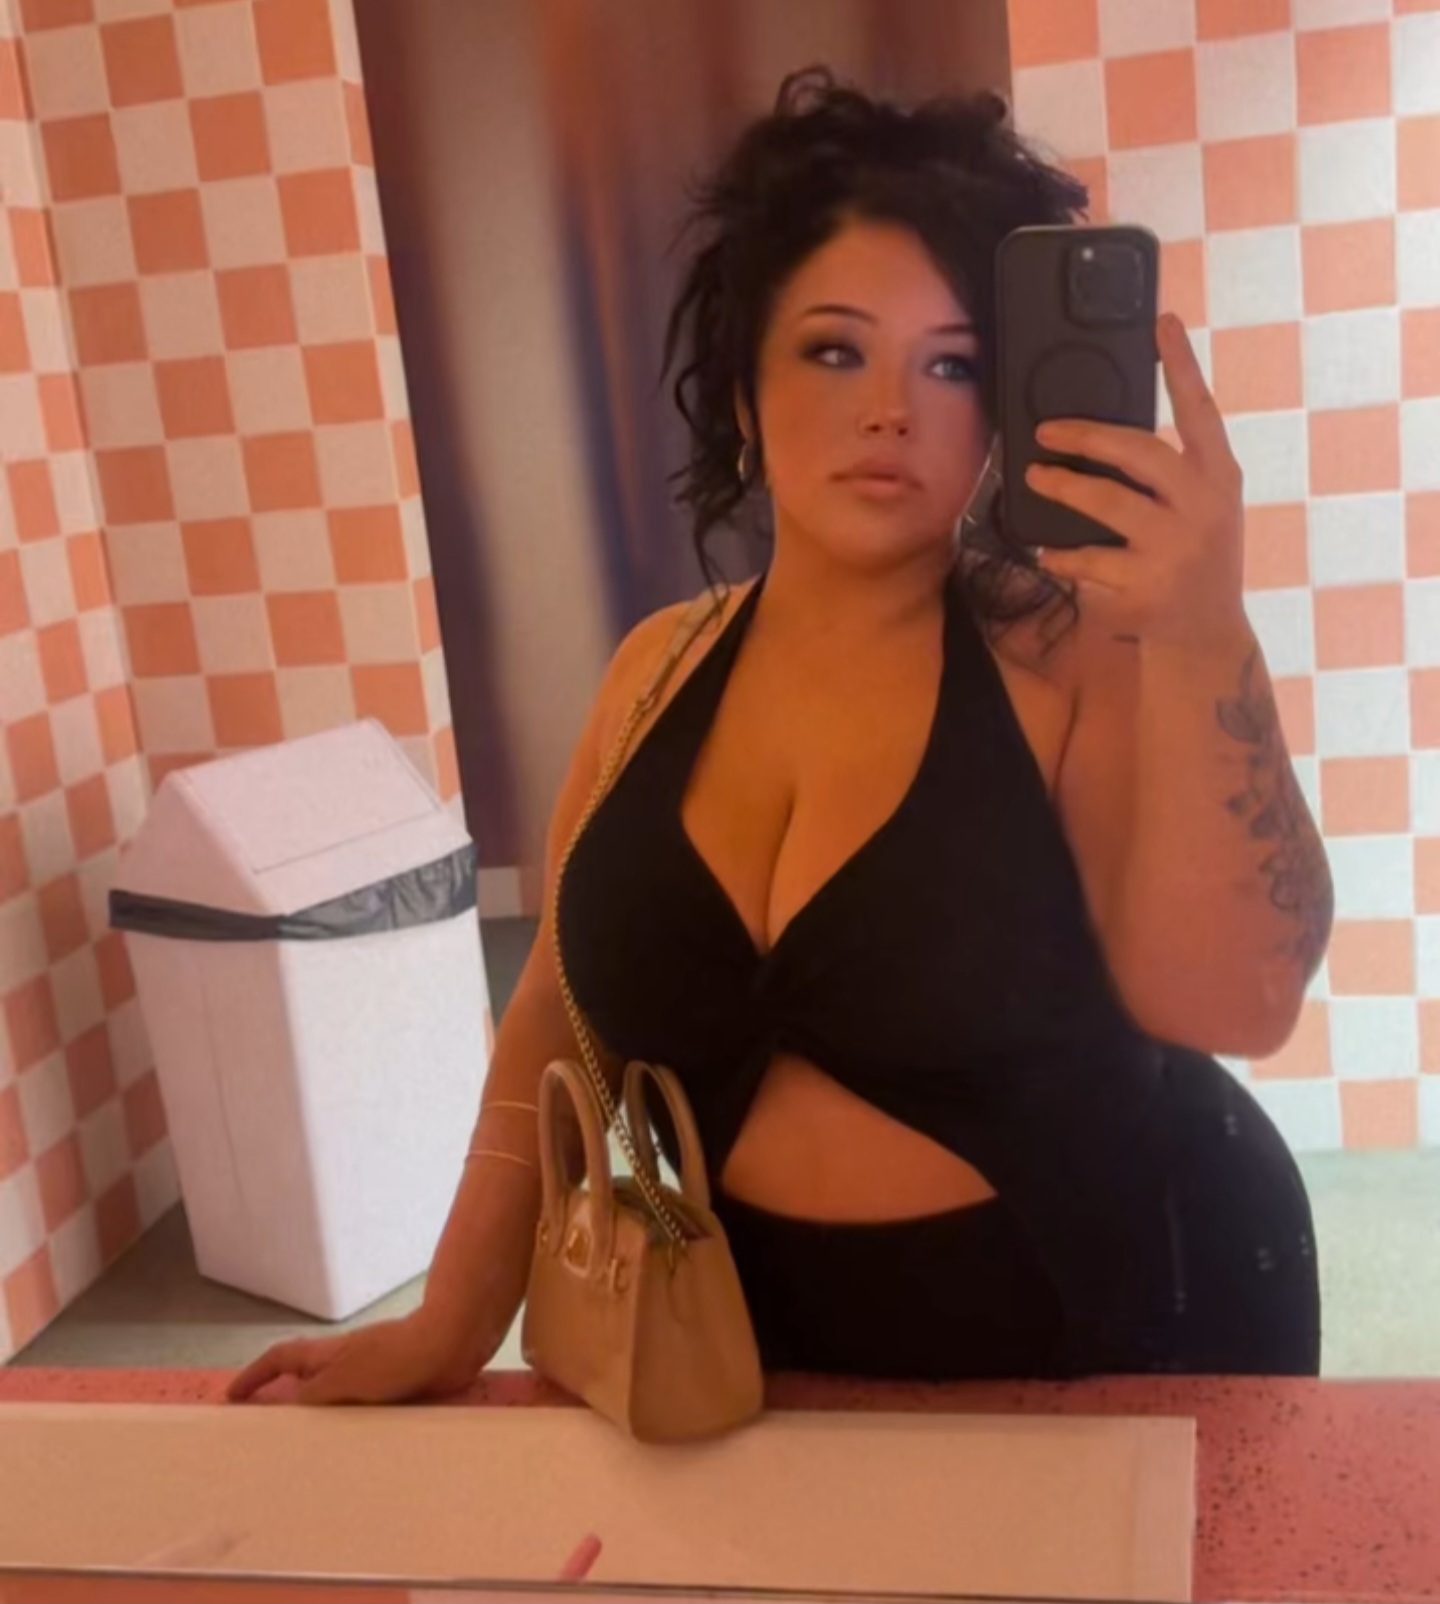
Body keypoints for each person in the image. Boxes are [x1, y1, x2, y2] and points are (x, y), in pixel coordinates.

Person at [230, 68, 1329, 1404]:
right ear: (744, 394)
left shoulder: (1080, 660)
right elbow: (553, 1015)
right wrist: (451, 1319)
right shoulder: (654, 670)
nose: (891, 409)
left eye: (952, 363)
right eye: (834, 350)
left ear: (998, 411)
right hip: (762, 1367)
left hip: (1116, 1347)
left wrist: (1205, 632)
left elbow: (1236, 1005)